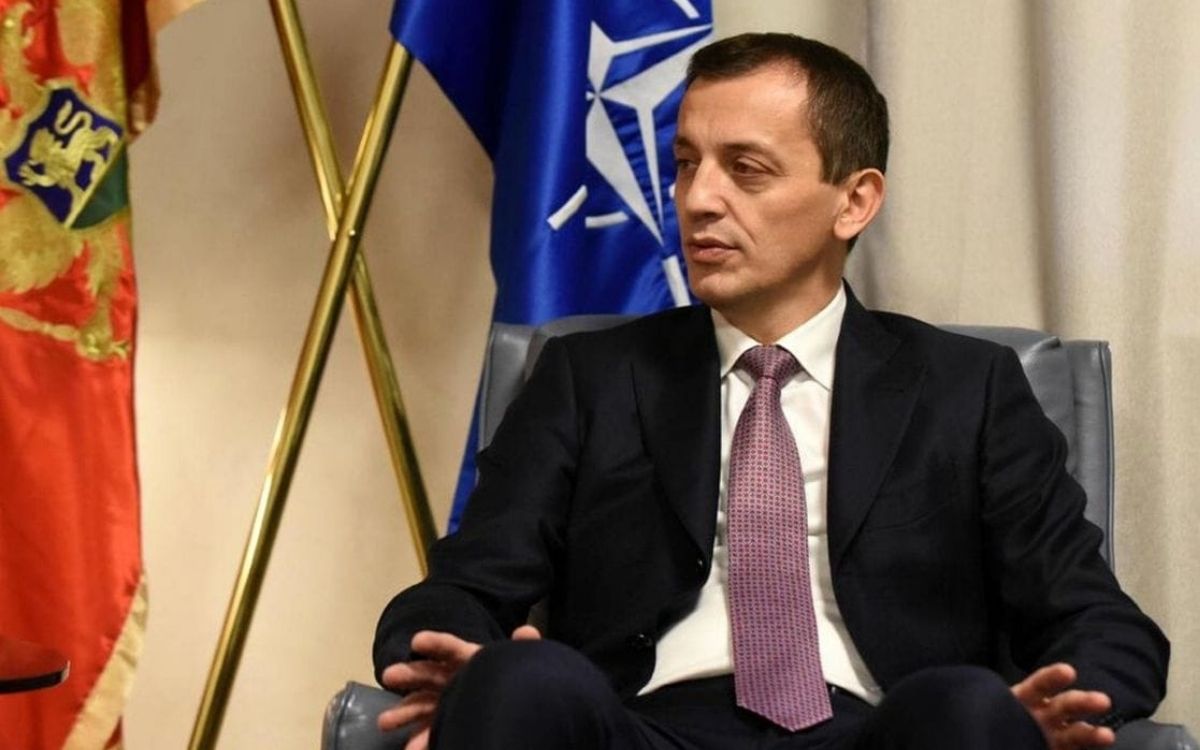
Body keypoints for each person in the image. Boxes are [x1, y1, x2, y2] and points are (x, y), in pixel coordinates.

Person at [372, 33, 1169, 750]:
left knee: (966, 705)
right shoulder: (590, 378)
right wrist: (450, 658)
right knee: (523, 679)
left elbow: (1100, 620)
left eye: (745, 170)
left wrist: (1058, 708)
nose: (697, 200)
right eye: (686, 163)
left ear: (854, 201)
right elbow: (463, 588)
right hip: (638, 726)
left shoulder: (969, 390)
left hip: (883, 731)